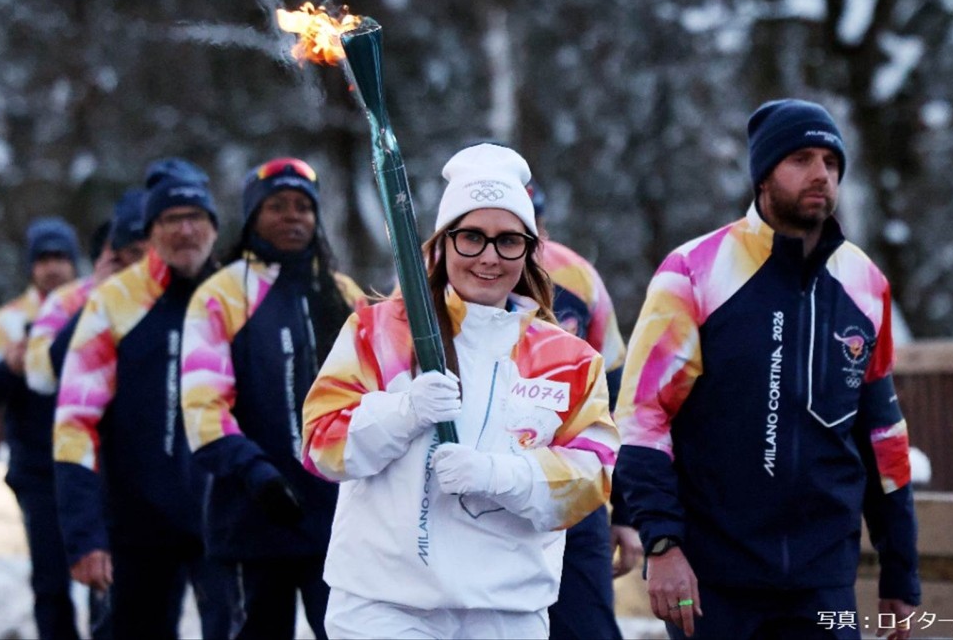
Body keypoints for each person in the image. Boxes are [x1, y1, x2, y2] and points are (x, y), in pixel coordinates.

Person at [614, 99, 920, 640]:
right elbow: (642, 417)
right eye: (800, 158)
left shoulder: (865, 283)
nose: (820, 174)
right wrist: (662, 542)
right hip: (714, 580)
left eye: (830, 161)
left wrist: (901, 573)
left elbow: (883, 437)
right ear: (762, 175)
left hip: (824, 578)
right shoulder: (693, 271)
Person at [303, 143, 620, 639]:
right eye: (472, 237)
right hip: (384, 607)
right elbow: (320, 445)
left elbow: (592, 478)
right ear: (444, 242)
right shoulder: (380, 331)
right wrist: (400, 413)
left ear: (528, 249)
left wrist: (501, 475)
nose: (489, 258)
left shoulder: (569, 359)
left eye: (508, 241)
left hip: (506, 610)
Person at [181, 158, 368, 639]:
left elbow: (379, 390)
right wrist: (256, 473)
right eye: (278, 206)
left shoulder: (344, 294)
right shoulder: (221, 294)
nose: (293, 217)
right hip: (253, 518)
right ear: (251, 218)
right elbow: (203, 408)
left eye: (304, 207)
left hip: (337, 522)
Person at [53, 160, 237, 640]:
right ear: (151, 231)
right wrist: (84, 535)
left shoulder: (238, 293)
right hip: (137, 524)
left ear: (214, 227)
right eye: (170, 219)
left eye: (196, 217)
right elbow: (75, 423)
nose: (185, 230)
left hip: (228, 516)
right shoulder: (114, 301)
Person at [25, 190, 149, 640]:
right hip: (83, 465)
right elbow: (41, 373)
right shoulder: (69, 301)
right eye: (123, 256)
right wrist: (97, 296)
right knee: (98, 598)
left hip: (148, 470)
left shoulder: (169, 292)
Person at [528, 180, 642, 640]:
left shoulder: (576, 278)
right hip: (474, 500)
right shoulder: (428, 280)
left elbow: (619, 402)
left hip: (574, 499)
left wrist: (626, 514)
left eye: (527, 224)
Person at [0, 216, 80, 639]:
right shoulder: (7, 322)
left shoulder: (97, 306)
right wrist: (9, 369)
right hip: (38, 471)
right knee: (50, 581)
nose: (53, 268)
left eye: (61, 257)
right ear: (31, 266)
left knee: (116, 577)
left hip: (98, 467)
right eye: (44, 258)